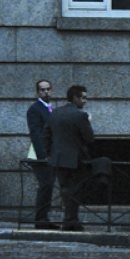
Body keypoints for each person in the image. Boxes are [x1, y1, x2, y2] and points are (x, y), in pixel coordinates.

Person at [42, 85, 95, 232]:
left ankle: (70, 220)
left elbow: (45, 135)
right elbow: (89, 138)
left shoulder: (55, 113)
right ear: (75, 98)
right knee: (75, 191)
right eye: (83, 97)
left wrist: (49, 153)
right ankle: (71, 221)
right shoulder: (81, 115)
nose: (85, 101)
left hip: (58, 158)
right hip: (76, 159)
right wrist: (88, 122)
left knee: (65, 190)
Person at [25, 79, 57, 229]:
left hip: (50, 154)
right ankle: (41, 218)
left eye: (48, 89)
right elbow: (36, 134)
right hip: (41, 156)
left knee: (48, 186)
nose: (46, 92)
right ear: (38, 92)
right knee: (45, 185)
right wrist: (43, 155)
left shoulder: (50, 108)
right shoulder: (35, 109)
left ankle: (44, 217)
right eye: (43, 90)